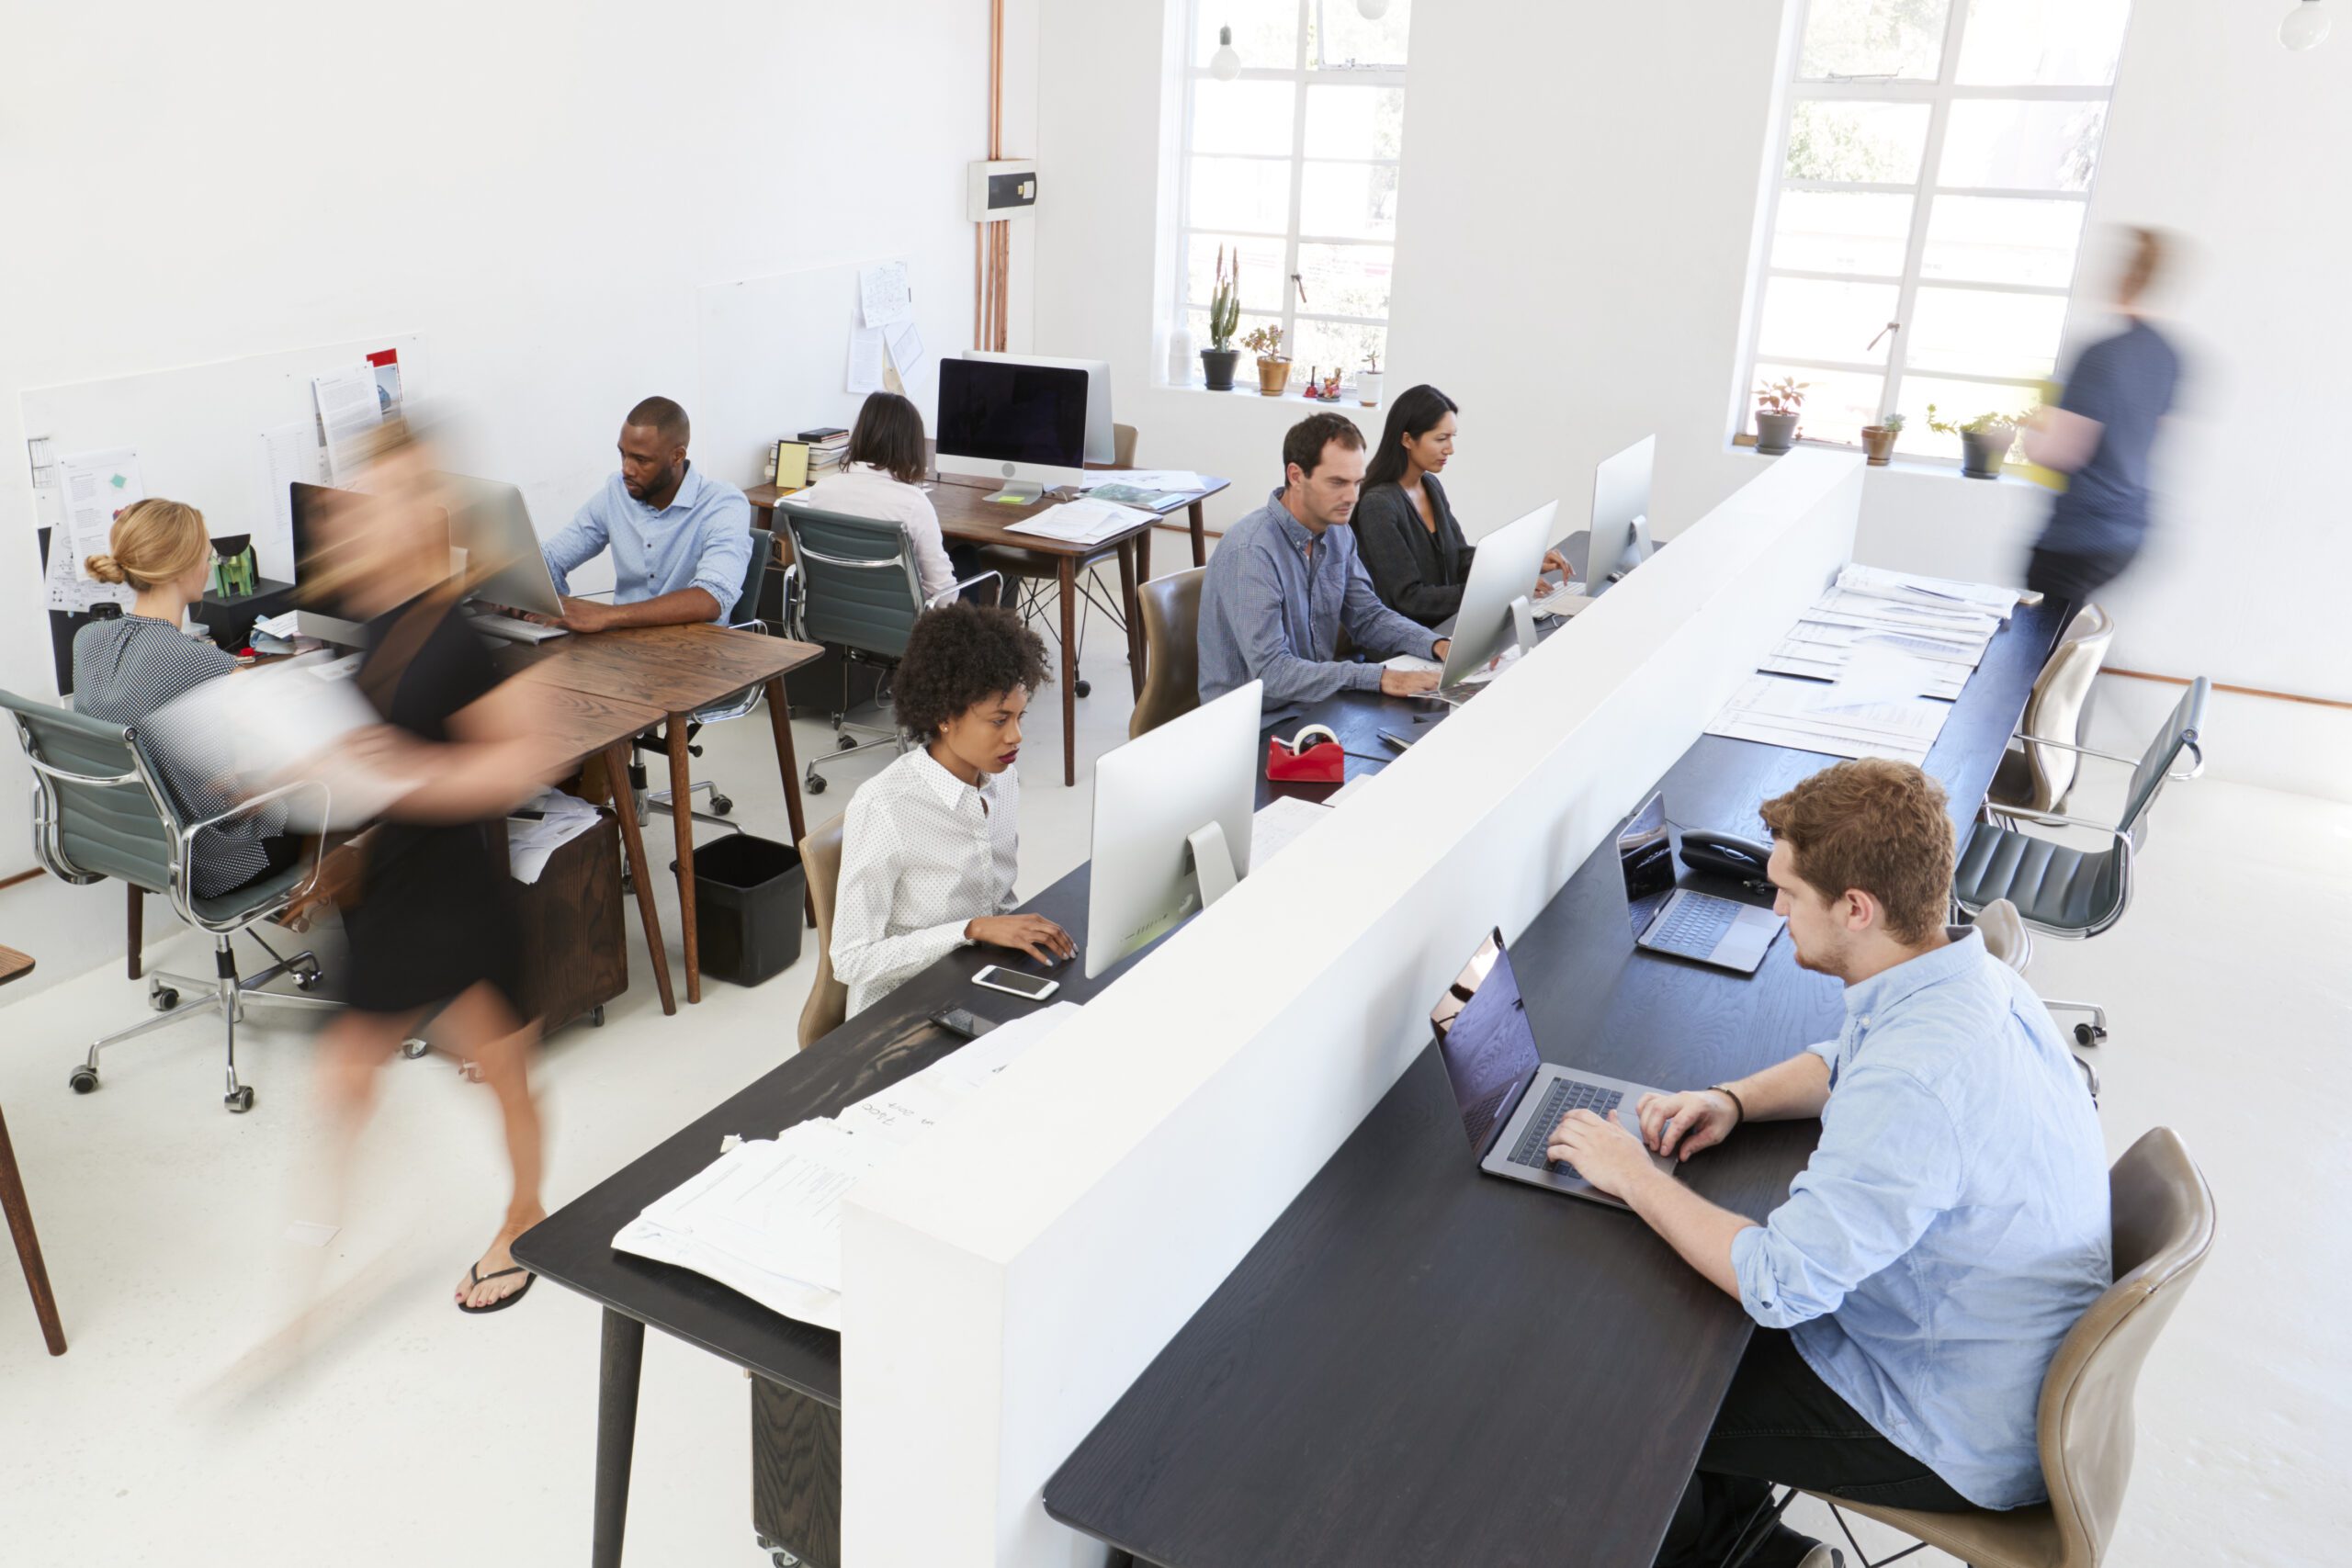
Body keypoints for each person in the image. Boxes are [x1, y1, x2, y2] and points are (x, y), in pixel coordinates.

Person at [1545, 760, 2110, 1568]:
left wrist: (1630, 1171)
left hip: (1946, 1424)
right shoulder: (1966, 973)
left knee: (1642, 1401)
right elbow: (1850, 1057)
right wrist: (1731, 1098)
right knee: (1689, 1335)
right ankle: (1764, 1555)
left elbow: (1779, 1281)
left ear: (1855, 907)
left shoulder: (1917, 1082)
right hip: (1995, 1357)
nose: (1775, 909)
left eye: (1788, 893)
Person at [311, 421, 567, 1314]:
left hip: (458, 900)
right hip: (389, 892)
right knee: (342, 1077)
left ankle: (524, 1218)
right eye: (367, 502)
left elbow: (519, 763)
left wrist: (401, 775)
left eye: (395, 500)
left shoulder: (459, 639)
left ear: (428, 514)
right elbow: (382, 751)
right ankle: (316, 1271)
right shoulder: (376, 628)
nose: (366, 522)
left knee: (504, 1079)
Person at [831, 602, 1074, 1017]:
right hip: (901, 1008)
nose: (1016, 736)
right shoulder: (885, 807)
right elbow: (852, 960)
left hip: (975, 979)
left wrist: (1009, 929)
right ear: (945, 717)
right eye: (999, 720)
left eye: (1020, 716)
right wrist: (970, 929)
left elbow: (998, 902)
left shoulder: (1003, 780)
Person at [73, 498, 299, 897]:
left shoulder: (88, 639)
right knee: (344, 795)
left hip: (137, 851)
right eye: (204, 552)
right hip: (215, 862)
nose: (209, 561)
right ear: (180, 568)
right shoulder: (202, 663)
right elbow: (280, 742)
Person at [1196, 412, 1455, 724]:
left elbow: (1368, 616)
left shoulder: (1337, 530)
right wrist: (1380, 677)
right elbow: (1273, 674)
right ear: (1295, 475)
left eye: (1357, 483)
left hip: (1313, 706)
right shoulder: (1251, 552)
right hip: (1253, 727)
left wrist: (1436, 644)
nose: (1352, 497)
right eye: (1337, 483)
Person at [2019, 228, 2182, 605]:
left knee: (2040, 645)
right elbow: (2149, 435)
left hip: (2081, 535)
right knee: (2072, 636)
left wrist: (2028, 431)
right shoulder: (2168, 356)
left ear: (2124, 277)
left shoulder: (2101, 355)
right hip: (2130, 533)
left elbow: (2061, 453)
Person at [1351, 385, 1570, 626]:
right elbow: (1410, 599)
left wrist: (1524, 565)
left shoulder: (1430, 486)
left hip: (1447, 622)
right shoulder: (1378, 505)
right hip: (1410, 638)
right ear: (1407, 439)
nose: (1450, 449)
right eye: (1440, 439)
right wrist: (1501, 591)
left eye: (1451, 437)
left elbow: (1460, 558)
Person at [540, 395, 754, 632]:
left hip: (695, 652)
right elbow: (552, 559)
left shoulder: (722, 504)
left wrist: (608, 615)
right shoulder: (616, 491)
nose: (626, 469)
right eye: (623, 454)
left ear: (677, 456)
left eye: (641, 460)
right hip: (622, 647)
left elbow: (711, 598)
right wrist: (511, 584)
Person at [794, 390, 992, 605]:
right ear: (910, 446)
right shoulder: (913, 504)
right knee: (966, 556)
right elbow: (944, 596)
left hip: (833, 613)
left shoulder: (822, 491)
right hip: (902, 625)